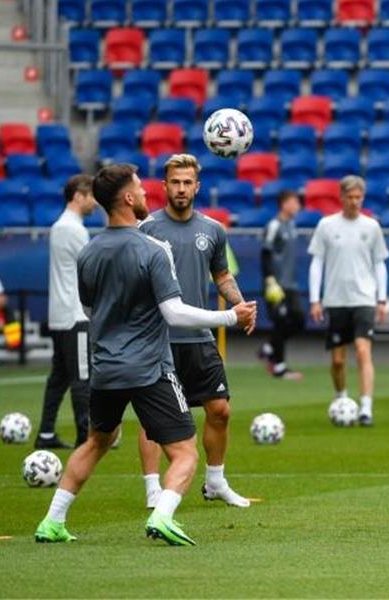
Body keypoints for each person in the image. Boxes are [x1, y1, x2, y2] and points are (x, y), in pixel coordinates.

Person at [33, 164, 257, 546]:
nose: (146, 193)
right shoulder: (153, 249)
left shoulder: (89, 252)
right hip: (150, 367)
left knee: (94, 443)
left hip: (106, 369)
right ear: (127, 198)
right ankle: (163, 516)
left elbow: (90, 305)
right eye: (140, 188)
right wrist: (229, 317)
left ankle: (51, 522)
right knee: (185, 453)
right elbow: (174, 313)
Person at [136, 154, 255, 510]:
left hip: (200, 338)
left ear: (197, 187)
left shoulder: (213, 230)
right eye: (175, 182)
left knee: (220, 410)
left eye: (188, 183)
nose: (182, 188)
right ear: (165, 186)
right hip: (159, 341)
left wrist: (240, 304)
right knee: (153, 418)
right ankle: (152, 488)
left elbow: (222, 276)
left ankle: (215, 482)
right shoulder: (147, 230)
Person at [308, 176, 389, 426]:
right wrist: (315, 299)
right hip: (335, 300)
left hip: (363, 298)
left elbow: (379, 264)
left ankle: (366, 408)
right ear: (341, 197)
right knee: (338, 360)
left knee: (364, 352)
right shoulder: (326, 225)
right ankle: (342, 398)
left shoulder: (372, 227)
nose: (355, 202)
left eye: (359, 198)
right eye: (350, 197)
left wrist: (381, 299)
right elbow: (317, 263)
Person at [38, 174, 96, 450]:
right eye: (91, 195)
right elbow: (93, 266)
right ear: (78, 196)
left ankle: (46, 432)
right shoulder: (72, 229)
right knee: (82, 378)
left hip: (60, 314)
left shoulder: (61, 226)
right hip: (75, 315)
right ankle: (86, 437)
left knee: (59, 377)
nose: (95, 201)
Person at [257, 189, 305, 380]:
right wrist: (270, 281)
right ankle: (280, 367)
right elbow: (265, 254)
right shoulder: (275, 225)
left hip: (290, 284)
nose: (298, 206)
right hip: (276, 285)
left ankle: (269, 348)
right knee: (280, 321)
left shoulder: (291, 226)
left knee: (299, 320)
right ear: (284, 204)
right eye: (295, 202)